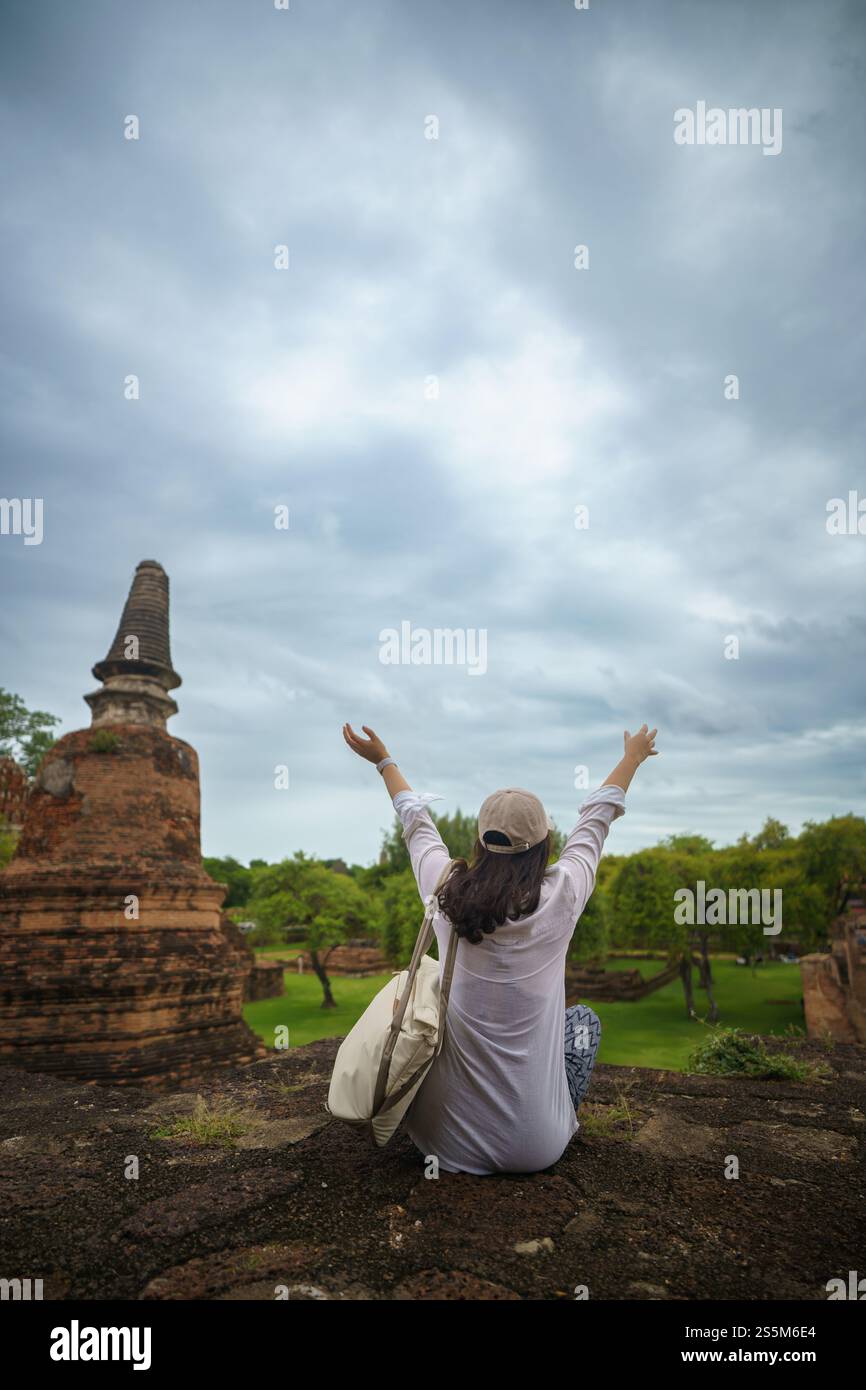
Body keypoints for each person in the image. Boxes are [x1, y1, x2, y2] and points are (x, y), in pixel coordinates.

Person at [342, 721, 658, 1176]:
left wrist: (384, 762)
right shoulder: (563, 894)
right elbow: (597, 819)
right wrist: (632, 758)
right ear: (545, 844)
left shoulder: (445, 890)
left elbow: (417, 825)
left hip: (442, 1144)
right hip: (536, 1149)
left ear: (481, 842)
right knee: (582, 1022)